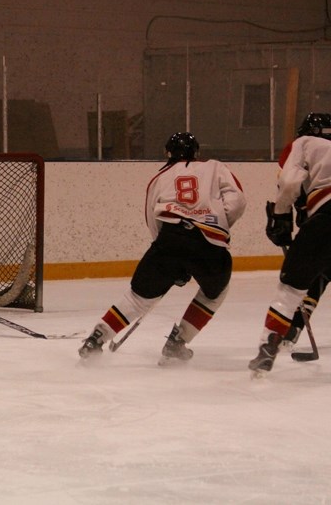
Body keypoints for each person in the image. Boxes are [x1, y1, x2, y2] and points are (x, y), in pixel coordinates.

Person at [78, 132, 247, 363]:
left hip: (169, 239)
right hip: (208, 242)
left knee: (137, 298)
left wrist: (171, 258)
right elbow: (237, 201)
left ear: (168, 153)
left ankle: (96, 339)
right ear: (197, 152)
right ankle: (177, 343)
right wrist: (218, 225)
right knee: (215, 292)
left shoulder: (159, 177)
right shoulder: (215, 167)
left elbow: (152, 219)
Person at [249, 113, 331, 374]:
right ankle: (294, 326)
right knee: (323, 271)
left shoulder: (306, 142)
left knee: (291, 287)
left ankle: (268, 347)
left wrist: (281, 215)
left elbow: (290, 182)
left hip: (326, 218)